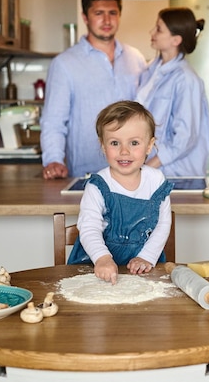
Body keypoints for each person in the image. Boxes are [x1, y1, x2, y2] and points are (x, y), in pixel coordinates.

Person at [41, 0, 146, 179]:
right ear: (85, 17)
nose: (107, 20)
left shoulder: (136, 58)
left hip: (134, 176)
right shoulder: (65, 64)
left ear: (120, 15)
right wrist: (53, 159)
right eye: (99, 13)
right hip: (87, 175)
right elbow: (54, 121)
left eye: (112, 13)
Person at [67, 101, 174, 285]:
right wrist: (102, 258)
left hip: (143, 268)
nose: (124, 151)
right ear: (103, 146)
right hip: (94, 267)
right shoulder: (98, 186)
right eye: (115, 143)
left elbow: (163, 224)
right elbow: (89, 227)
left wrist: (147, 257)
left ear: (149, 146)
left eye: (134, 143)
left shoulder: (156, 181)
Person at [136, 7, 209, 177]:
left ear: (176, 40)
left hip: (175, 175)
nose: (152, 32)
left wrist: (147, 168)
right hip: (152, 172)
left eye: (159, 29)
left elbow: (185, 138)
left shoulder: (186, 79)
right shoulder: (151, 70)